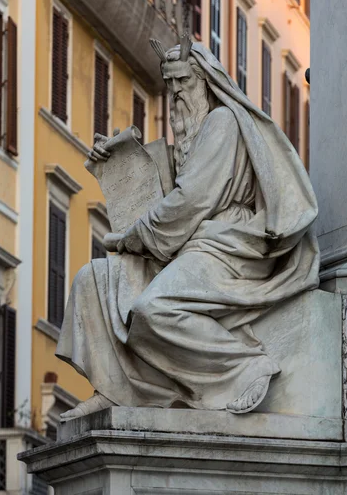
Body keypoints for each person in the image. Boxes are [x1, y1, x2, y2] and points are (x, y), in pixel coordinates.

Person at [57, 35, 319, 419]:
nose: (176, 92)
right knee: (92, 279)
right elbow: (171, 195)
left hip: (228, 244)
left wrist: (136, 236)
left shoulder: (222, 122)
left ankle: (245, 367)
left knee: (154, 308)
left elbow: (191, 201)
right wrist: (118, 160)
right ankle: (115, 387)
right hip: (186, 243)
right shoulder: (191, 135)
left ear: (206, 81)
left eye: (184, 82)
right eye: (170, 84)